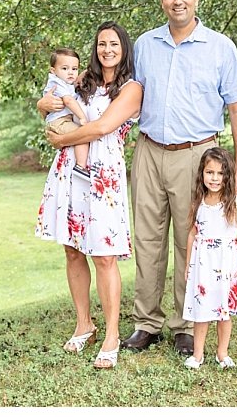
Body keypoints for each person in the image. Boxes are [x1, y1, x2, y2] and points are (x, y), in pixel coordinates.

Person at [122, 0, 237, 356]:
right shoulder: (145, 45)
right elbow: (124, 94)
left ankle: (184, 324)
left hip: (197, 156)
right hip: (148, 152)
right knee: (147, 240)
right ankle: (146, 323)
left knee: (188, 242)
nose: (177, 0)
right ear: (161, 0)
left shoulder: (219, 47)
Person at [35, 21, 142, 369]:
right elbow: (51, 101)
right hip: (70, 170)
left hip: (103, 173)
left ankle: (112, 333)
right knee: (72, 248)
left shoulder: (132, 88)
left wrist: (62, 139)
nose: (106, 50)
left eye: (113, 44)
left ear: (123, 48)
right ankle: (85, 324)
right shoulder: (83, 81)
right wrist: (43, 105)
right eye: (100, 44)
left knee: (104, 254)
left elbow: (100, 127)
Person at [182, 147, 237, 369]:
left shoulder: (234, 202)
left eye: (220, 173)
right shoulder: (198, 201)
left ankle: (222, 353)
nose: (214, 178)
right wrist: (188, 265)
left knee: (224, 311)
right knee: (201, 310)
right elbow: (192, 234)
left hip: (226, 263)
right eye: (209, 172)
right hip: (203, 263)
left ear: (227, 175)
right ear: (202, 174)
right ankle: (198, 354)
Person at [41, 48, 91, 181]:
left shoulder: (65, 82)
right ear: (53, 71)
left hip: (61, 120)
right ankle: (81, 167)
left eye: (74, 69)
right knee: (82, 135)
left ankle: (81, 165)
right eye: (65, 68)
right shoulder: (56, 83)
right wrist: (82, 117)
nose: (70, 72)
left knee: (82, 134)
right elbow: (69, 100)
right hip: (59, 121)